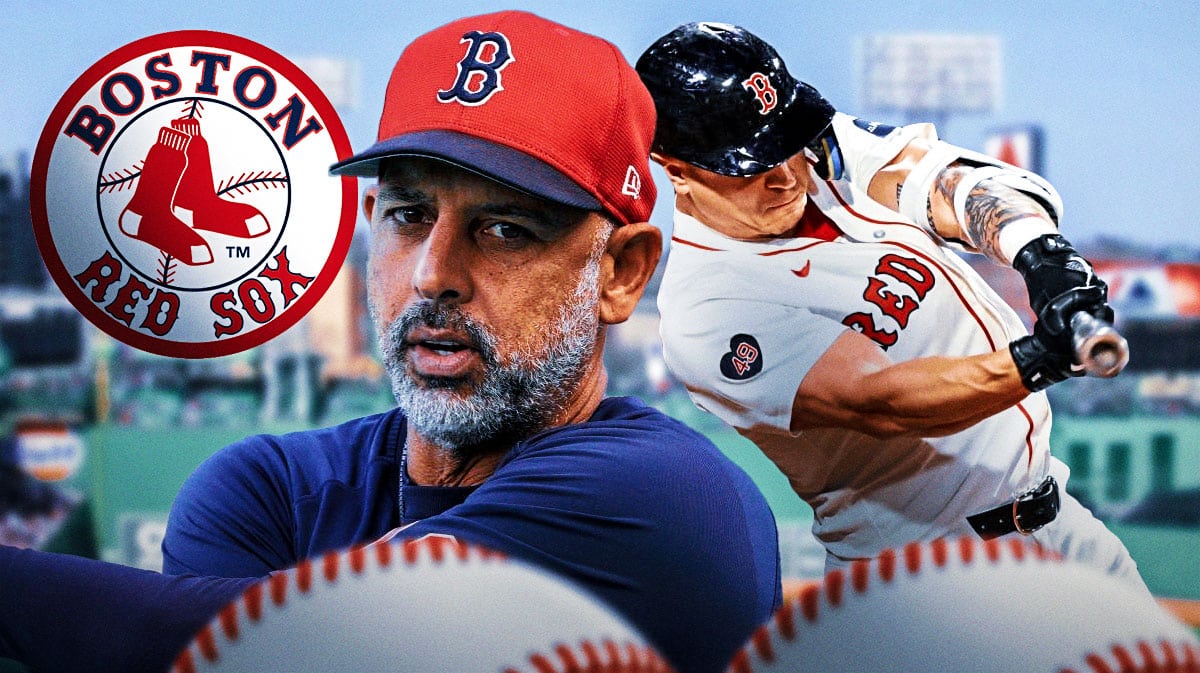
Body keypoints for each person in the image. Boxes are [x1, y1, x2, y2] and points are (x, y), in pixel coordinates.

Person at [0, 12, 781, 673]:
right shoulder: (267, 492)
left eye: (504, 228)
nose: (433, 274)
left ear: (620, 272)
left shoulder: (666, 498)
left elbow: (221, 636)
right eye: (408, 216)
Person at [635, 21, 1148, 590]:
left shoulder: (820, 154)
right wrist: (1039, 360)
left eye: (786, 141)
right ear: (674, 168)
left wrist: (1043, 260)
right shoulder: (706, 307)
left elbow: (952, 187)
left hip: (1057, 520)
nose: (784, 175)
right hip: (930, 576)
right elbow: (883, 399)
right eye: (751, 164)